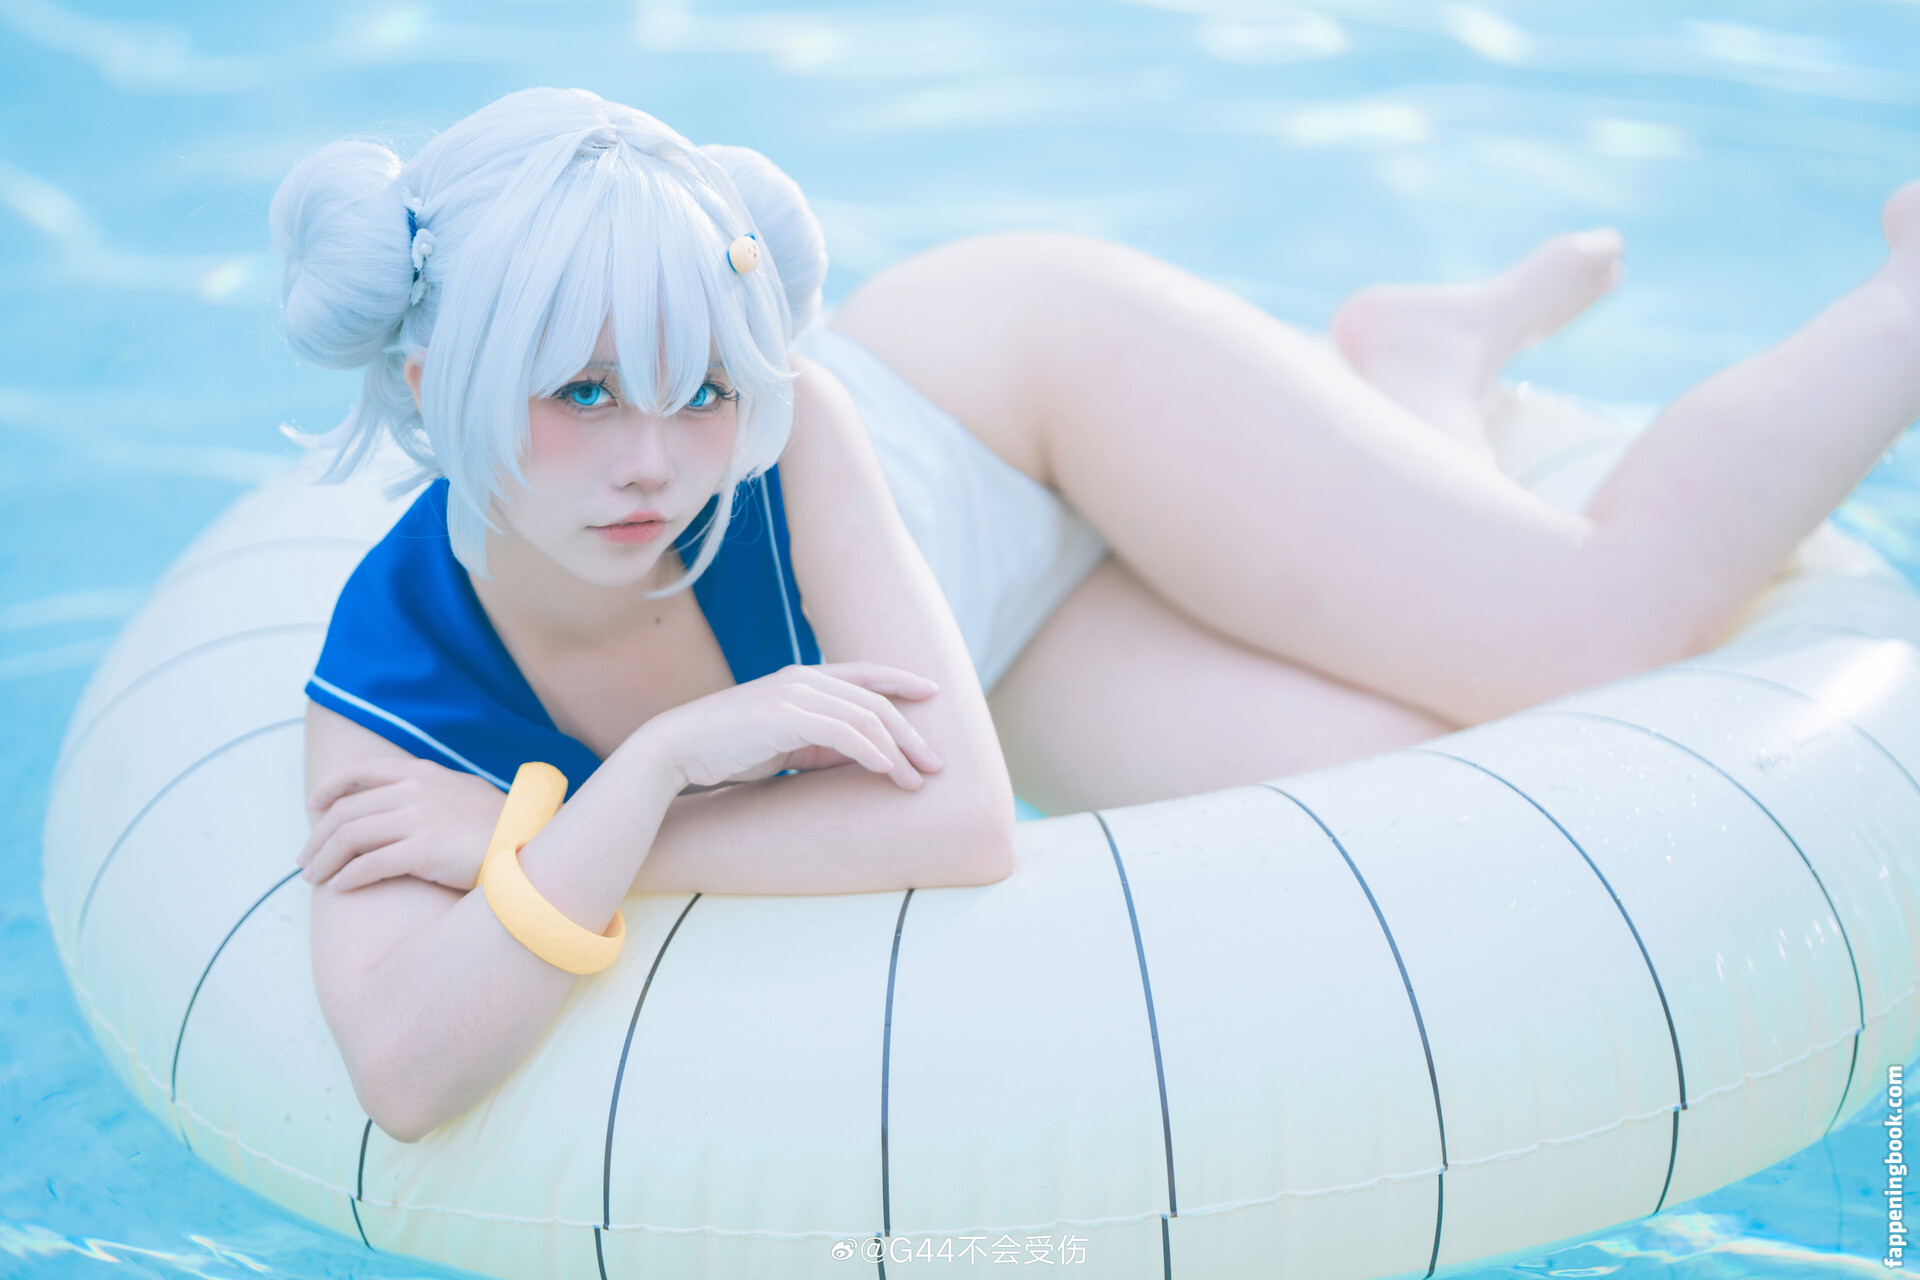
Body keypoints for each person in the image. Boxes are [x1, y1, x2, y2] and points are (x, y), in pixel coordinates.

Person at [281, 87, 1920, 1142]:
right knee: (1438, 776)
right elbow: (407, 1080)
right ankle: (1415, 380)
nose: (655, 463)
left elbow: (954, 821)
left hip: (1038, 405)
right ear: (430, 382)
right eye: (580, 392)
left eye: (702, 385)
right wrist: (646, 776)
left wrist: (562, 837)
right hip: (993, 634)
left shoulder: (797, 434)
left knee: (1595, 637)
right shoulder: (399, 672)